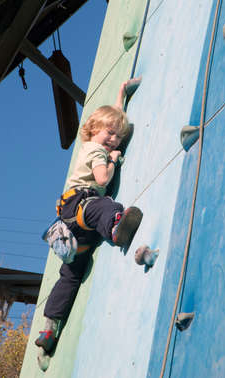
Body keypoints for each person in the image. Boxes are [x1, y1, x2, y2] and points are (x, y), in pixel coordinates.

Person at [35, 79, 143, 355]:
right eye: (109, 134)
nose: (113, 140)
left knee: (70, 275)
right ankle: (116, 228)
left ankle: (50, 327)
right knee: (105, 205)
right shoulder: (97, 151)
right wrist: (113, 159)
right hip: (80, 206)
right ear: (94, 130)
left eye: (118, 137)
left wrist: (121, 94)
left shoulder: (95, 142)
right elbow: (102, 179)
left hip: (73, 229)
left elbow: (113, 121)